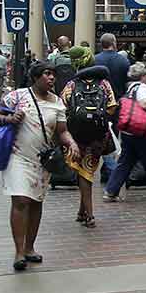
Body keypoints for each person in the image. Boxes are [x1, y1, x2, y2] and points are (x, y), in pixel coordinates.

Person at [0, 62, 79, 271]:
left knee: (36, 201)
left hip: (42, 160)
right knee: (21, 199)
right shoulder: (18, 96)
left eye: (53, 75)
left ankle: (30, 248)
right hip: (18, 157)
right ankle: (19, 251)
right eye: (47, 74)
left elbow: (62, 131)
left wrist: (71, 142)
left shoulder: (57, 102)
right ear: (35, 77)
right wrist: (9, 118)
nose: (51, 78)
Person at [59, 48, 118, 228]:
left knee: (83, 173)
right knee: (88, 171)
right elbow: (112, 107)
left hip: (76, 137)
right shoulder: (104, 84)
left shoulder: (71, 84)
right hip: (98, 137)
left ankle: (90, 215)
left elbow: (62, 106)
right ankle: (82, 210)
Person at [103, 62, 146, 202]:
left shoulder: (130, 88)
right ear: (143, 76)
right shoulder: (142, 88)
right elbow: (145, 104)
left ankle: (111, 191)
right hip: (142, 131)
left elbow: (142, 106)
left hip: (129, 131)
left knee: (125, 162)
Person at [94, 33, 131, 99]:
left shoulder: (94, 60)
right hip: (119, 100)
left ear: (101, 44)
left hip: (99, 100)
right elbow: (127, 81)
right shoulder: (124, 60)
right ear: (114, 43)